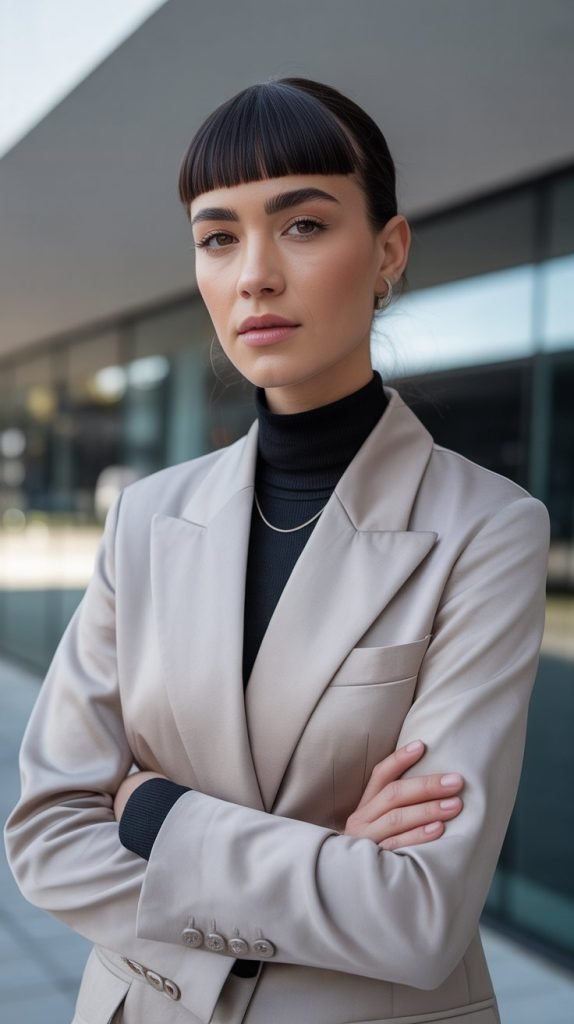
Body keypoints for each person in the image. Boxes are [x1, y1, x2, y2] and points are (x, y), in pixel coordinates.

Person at [4, 77, 550, 1024]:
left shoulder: (488, 528)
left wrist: (152, 813)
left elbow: (419, 912)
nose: (253, 272)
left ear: (388, 252)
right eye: (219, 237)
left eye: (301, 224)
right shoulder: (145, 518)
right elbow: (47, 838)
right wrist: (335, 859)